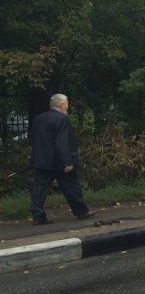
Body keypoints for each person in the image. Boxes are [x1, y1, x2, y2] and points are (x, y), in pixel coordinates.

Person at [29, 94, 95, 225]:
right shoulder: (61, 119)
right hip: (59, 162)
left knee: (39, 189)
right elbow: (62, 142)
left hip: (42, 161)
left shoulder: (38, 118)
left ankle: (38, 216)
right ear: (61, 105)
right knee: (72, 187)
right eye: (66, 103)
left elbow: (34, 139)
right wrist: (68, 161)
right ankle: (81, 211)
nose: (68, 106)